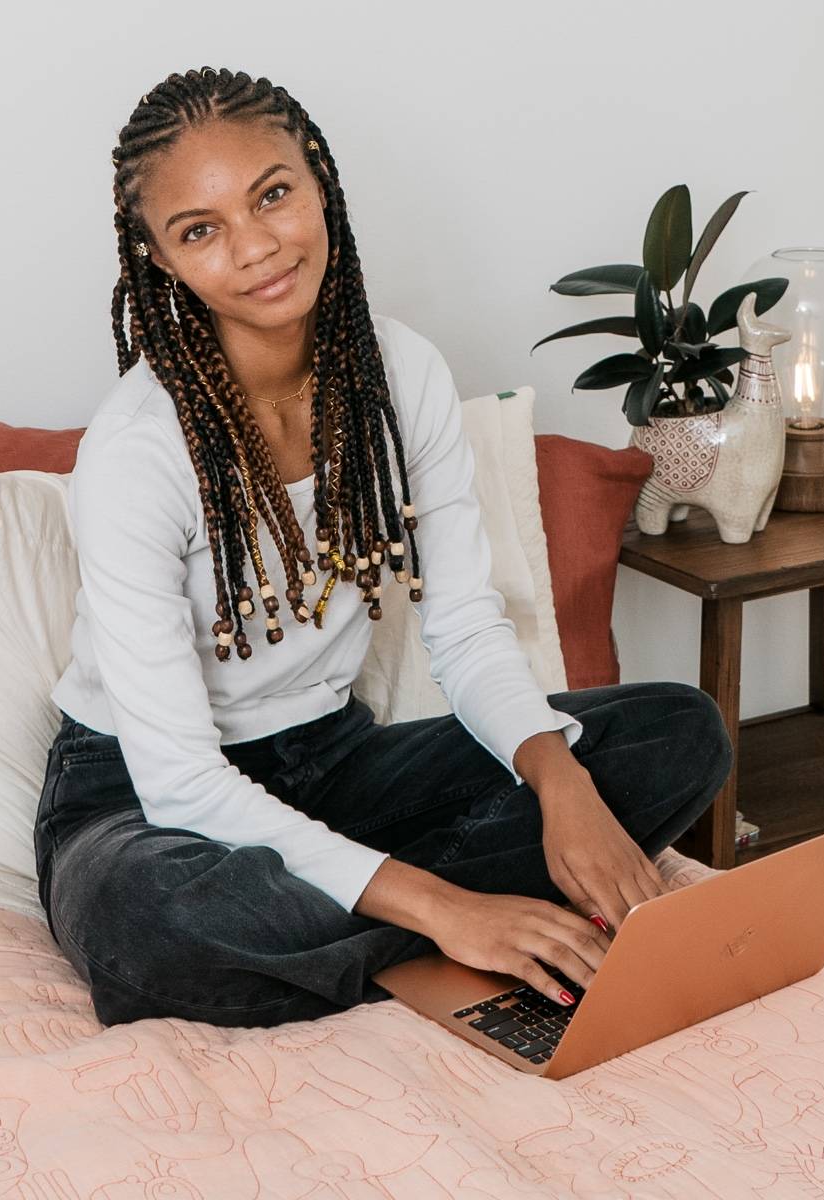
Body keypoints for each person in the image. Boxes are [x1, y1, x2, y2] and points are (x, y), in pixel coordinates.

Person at [38, 66, 732, 1029]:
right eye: (200, 231)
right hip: (142, 798)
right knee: (145, 911)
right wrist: (449, 905)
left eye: (272, 194)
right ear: (160, 260)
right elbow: (182, 781)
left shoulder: (400, 374)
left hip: (332, 762)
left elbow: (462, 622)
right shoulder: (137, 450)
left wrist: (560, 781)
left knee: (676, 734)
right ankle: (458, 932)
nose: (256, 247)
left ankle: (344, 945)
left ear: (319, 180)